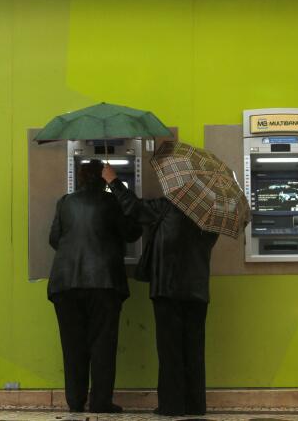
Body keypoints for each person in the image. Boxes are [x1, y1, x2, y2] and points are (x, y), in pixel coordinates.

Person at [103, 163, 219, 417]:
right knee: (194, 350)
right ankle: (195, 405)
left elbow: (134, 208)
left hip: (168, 288)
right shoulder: (210, 215)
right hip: (197, 290)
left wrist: (113, 181)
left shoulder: (167, 207)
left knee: (170, 350)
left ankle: (172, 405)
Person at [47, 159, 140, 413]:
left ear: (79, 179)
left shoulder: (64, 202)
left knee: (73, 345)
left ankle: (75, 401)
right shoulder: (112, 202)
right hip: (103, 283)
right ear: (103, 180)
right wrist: (118, 186)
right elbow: (133, 232)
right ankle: (100, 402)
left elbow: (54, 239)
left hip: (65, 284)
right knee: (102, 345)